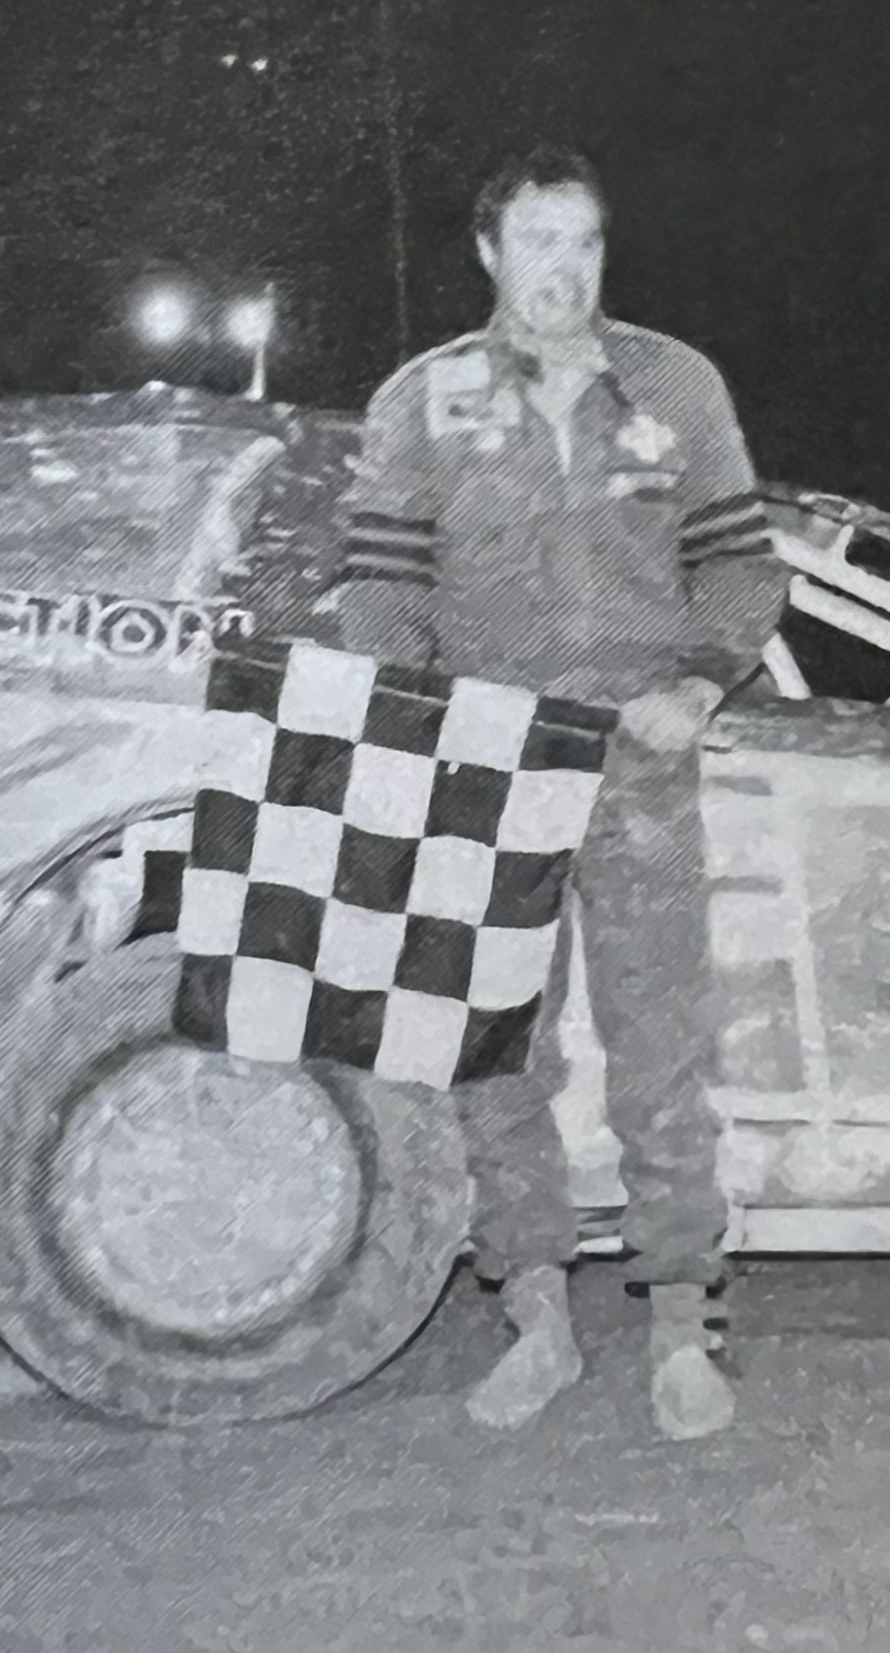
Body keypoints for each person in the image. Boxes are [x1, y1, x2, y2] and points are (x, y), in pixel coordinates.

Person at [327, 145, 787, 1440]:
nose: (563, 268)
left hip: (640, 768)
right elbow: (378, 595)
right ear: (490, 253)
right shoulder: (423, 400)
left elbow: (744, 572)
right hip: (491, 767)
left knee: (662, 1051)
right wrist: (432, 726)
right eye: (538, 242)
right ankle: (538, 1316)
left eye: (583, 241)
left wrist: (697, 685)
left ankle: (686, 1330)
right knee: (500, 1059)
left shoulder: (676, 386)